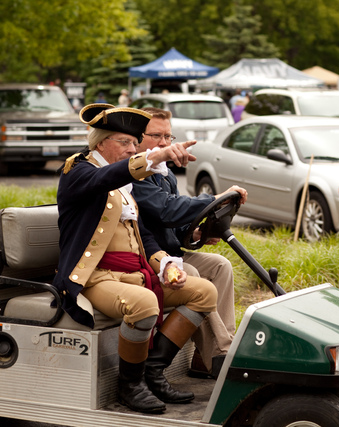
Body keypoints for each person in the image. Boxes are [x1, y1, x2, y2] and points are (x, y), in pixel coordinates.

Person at [53, 104, 218, 414]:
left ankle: (154, 371)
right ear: (100, 142)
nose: (132, 149)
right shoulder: (79, 171)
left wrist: (166, 266)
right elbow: (109, 176)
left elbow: (143, 236)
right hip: (93, 277)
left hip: (134, 273)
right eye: (124, 142)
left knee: (204, 292)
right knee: (143, 303)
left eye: (134, 143)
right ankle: (130, 384)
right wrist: (158, 155)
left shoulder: (123, 184)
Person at [131, 107, 248, 378]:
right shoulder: (134, 174)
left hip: (171, 252)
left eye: (168, 137)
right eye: (156, 136)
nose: (163, 144)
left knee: (220, 265)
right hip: (148, 258)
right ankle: (221, 354)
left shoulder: (165, 174)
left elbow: (175, 222)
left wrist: (195, 233)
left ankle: (203, 356)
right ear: (138, 138)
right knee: (193, 274)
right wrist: (214, 197)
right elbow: (165, 210)